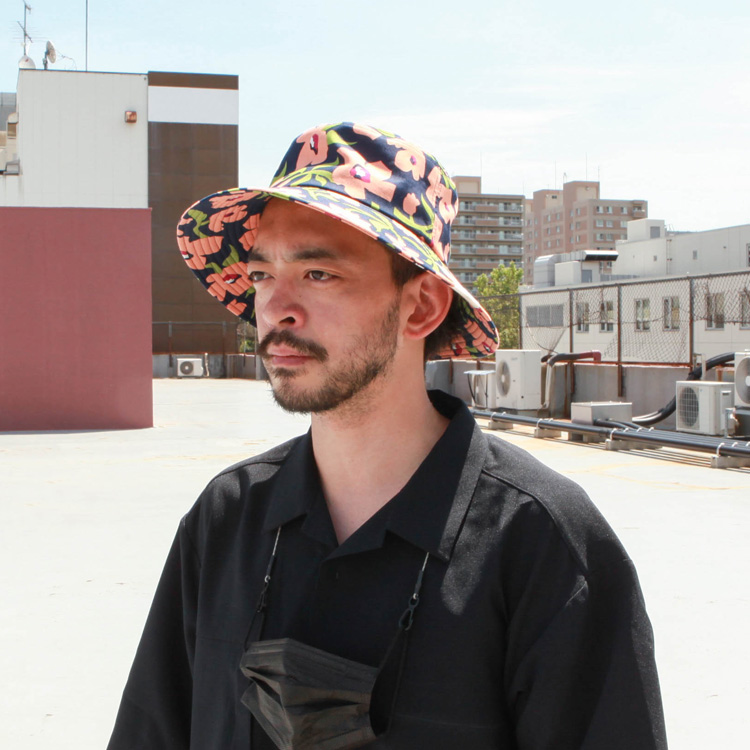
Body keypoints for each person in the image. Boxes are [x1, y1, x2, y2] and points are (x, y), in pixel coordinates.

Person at [108, 122, 667, 749]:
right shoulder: (226, 520)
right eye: (262, 275)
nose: (275, 308)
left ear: (421, 306)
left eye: (318, 274)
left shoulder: (542, 545)